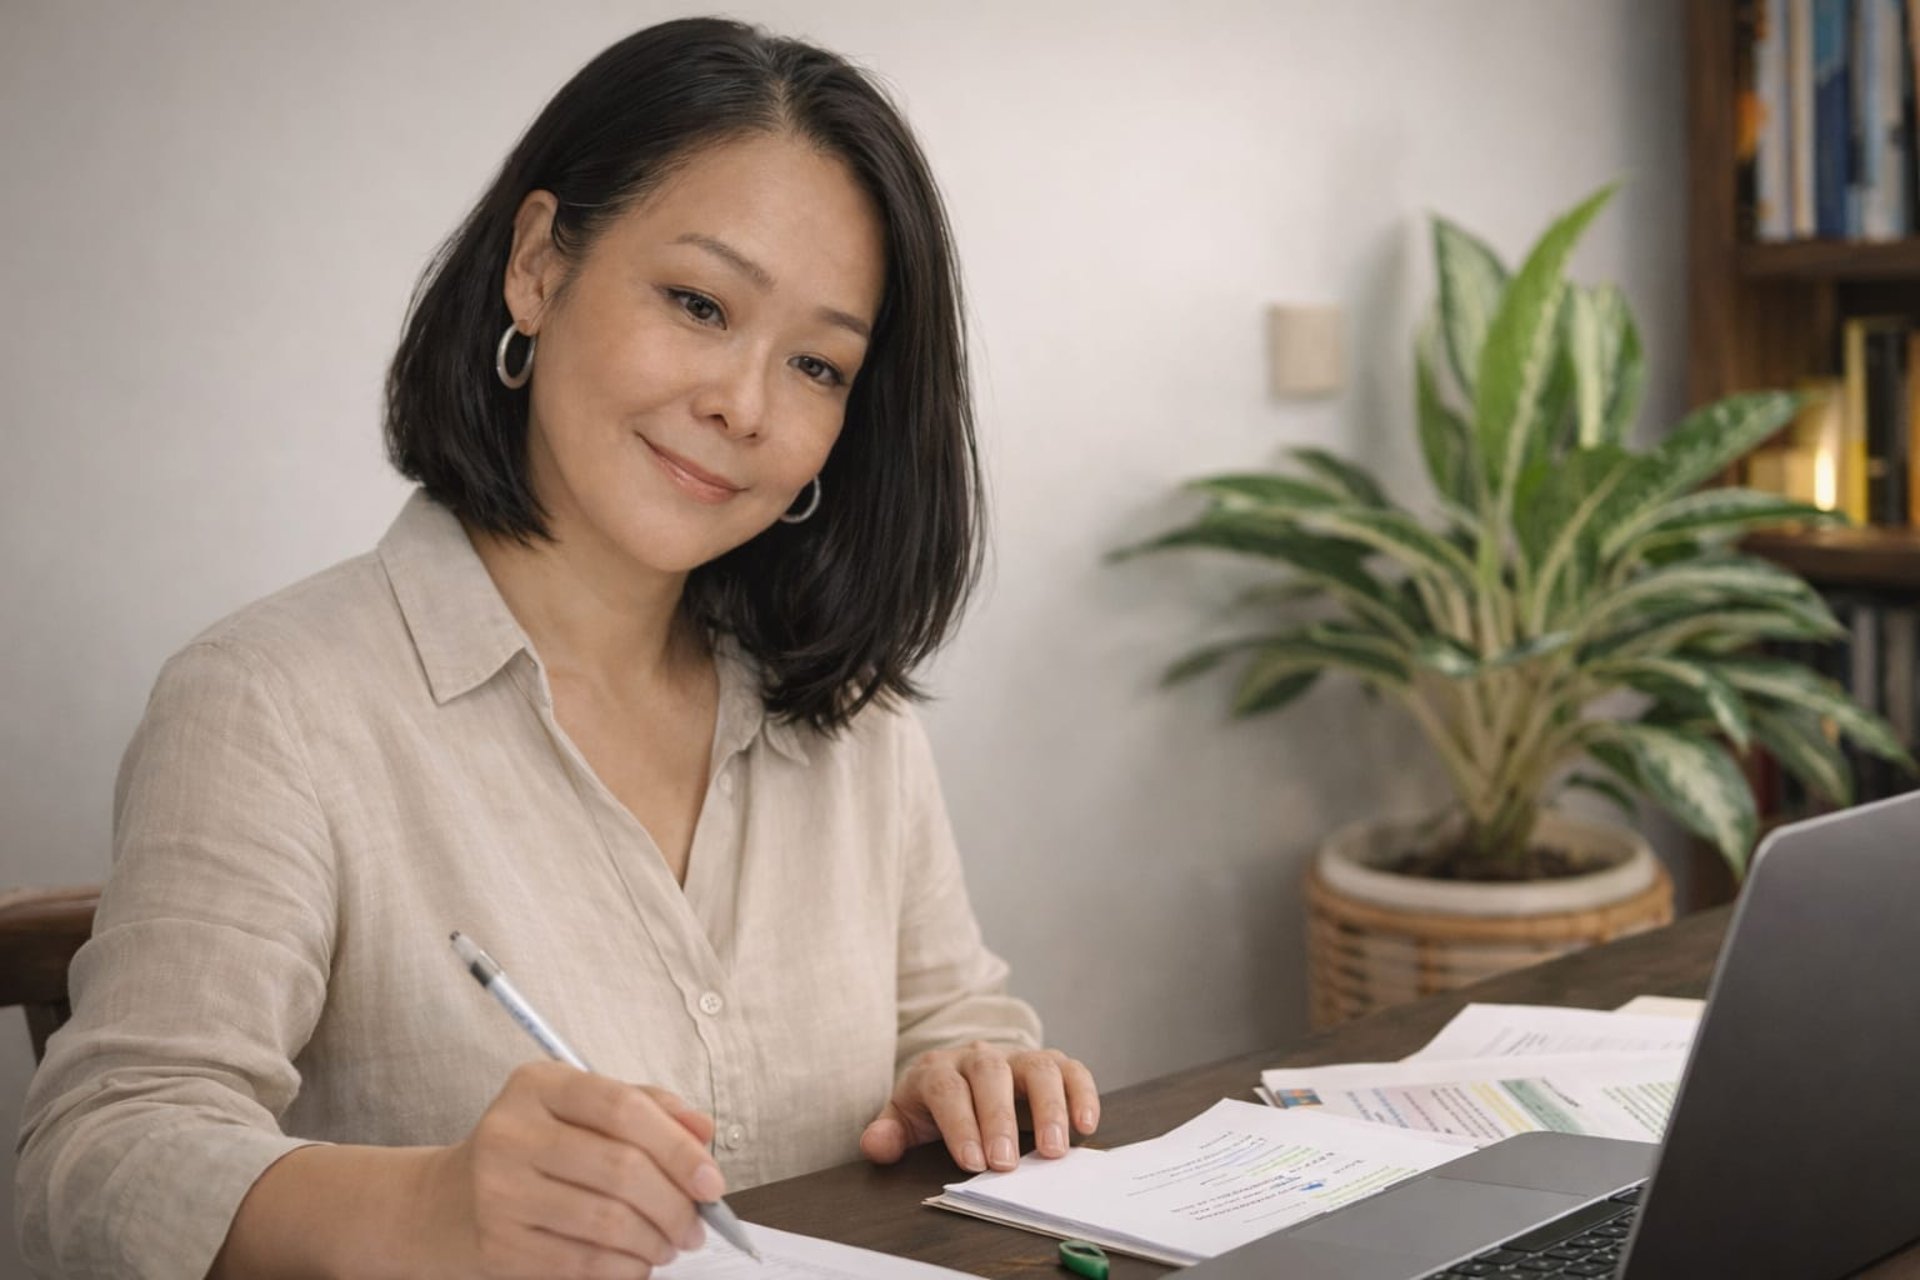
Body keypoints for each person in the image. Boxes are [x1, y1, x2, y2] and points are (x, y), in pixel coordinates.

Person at [15, 17, 1098, 1279]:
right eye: (698, 303)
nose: (745, 406)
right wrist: (430, 1207)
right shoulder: (271, 703)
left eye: (817, 364)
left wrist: (970, 1072)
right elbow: (93, 1161)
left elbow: (949, 1010)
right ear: (539, 265)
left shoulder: (847, 712)